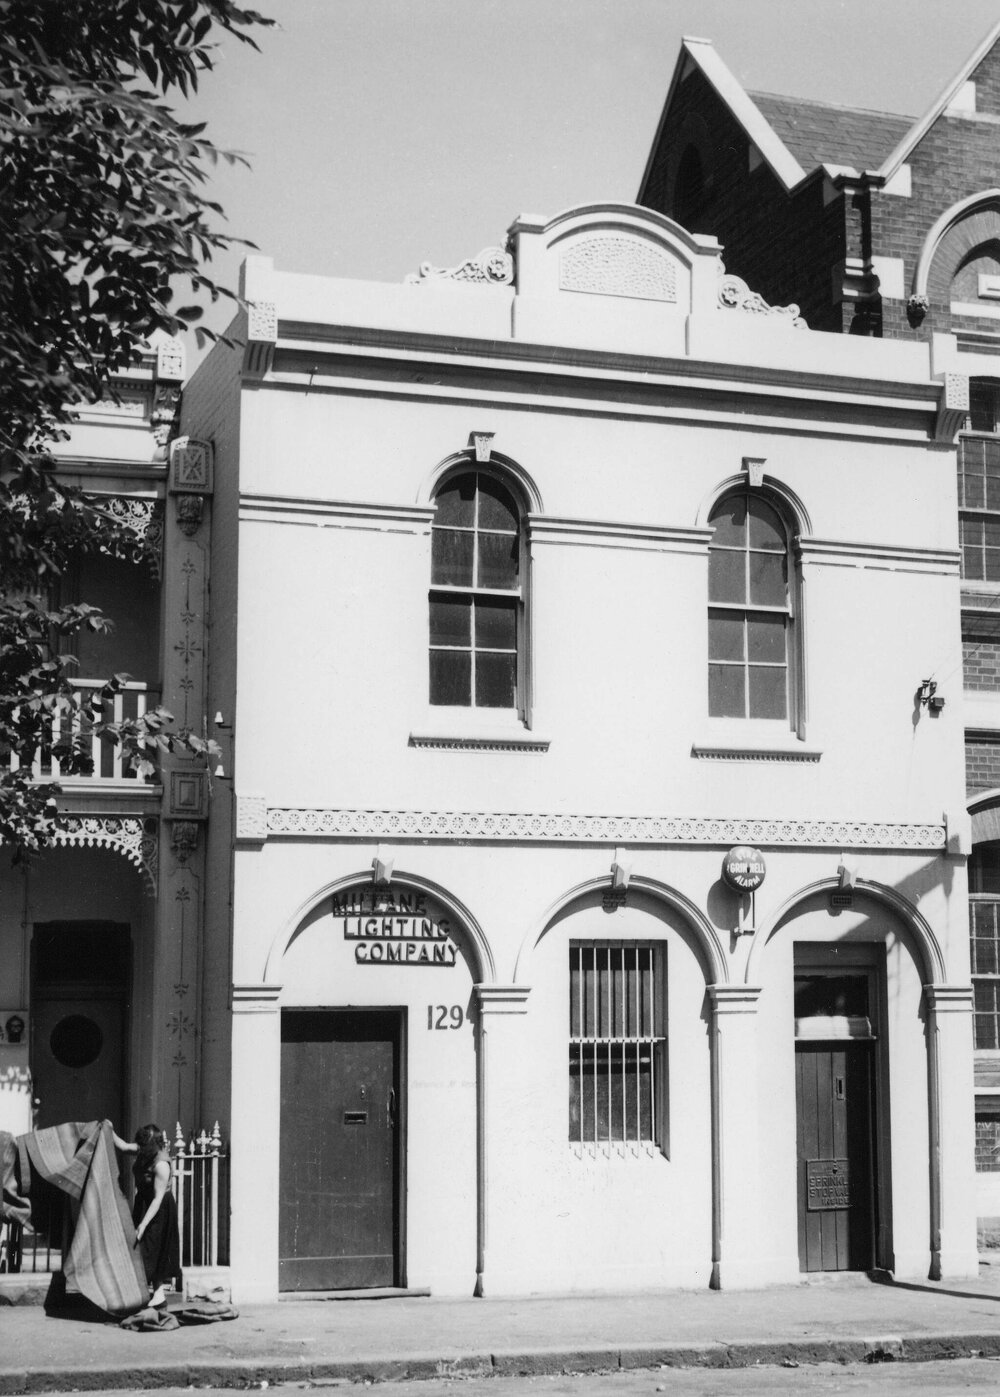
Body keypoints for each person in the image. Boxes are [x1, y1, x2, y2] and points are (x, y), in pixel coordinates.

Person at [112, 1123, 179, 1308]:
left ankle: (158, 1296)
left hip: (159, 1209)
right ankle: (155, 1295)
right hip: (144, 1202)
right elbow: (124, 1146)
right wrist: (109, 1129)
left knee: (151, 1249)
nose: (140, 1149)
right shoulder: (144, 1149)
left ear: (154, 1144)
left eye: (144, 1146)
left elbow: (158, 1199)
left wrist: (142, 1224)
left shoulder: (161, 1164)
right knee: (140, 1248)